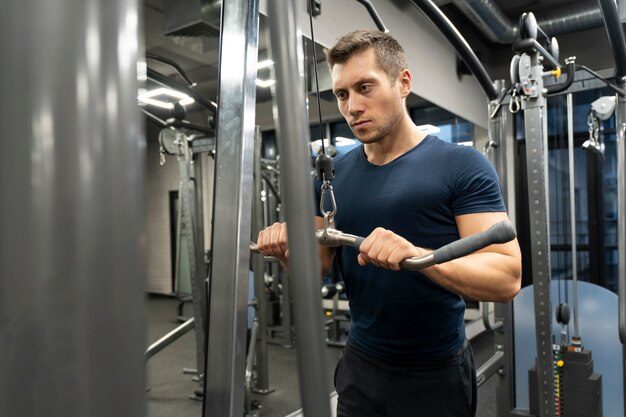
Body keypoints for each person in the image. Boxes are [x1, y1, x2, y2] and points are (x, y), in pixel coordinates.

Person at [256, 29, 522, 417]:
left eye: (365, 87)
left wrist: (420, 257)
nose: (352, 107)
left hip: (435, 372)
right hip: (359, 366)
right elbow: (316, 269)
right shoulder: (331, 176)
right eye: (342, 94)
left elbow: (507, 276)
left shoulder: (462, 166)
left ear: (403, 83)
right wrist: (285, 251)